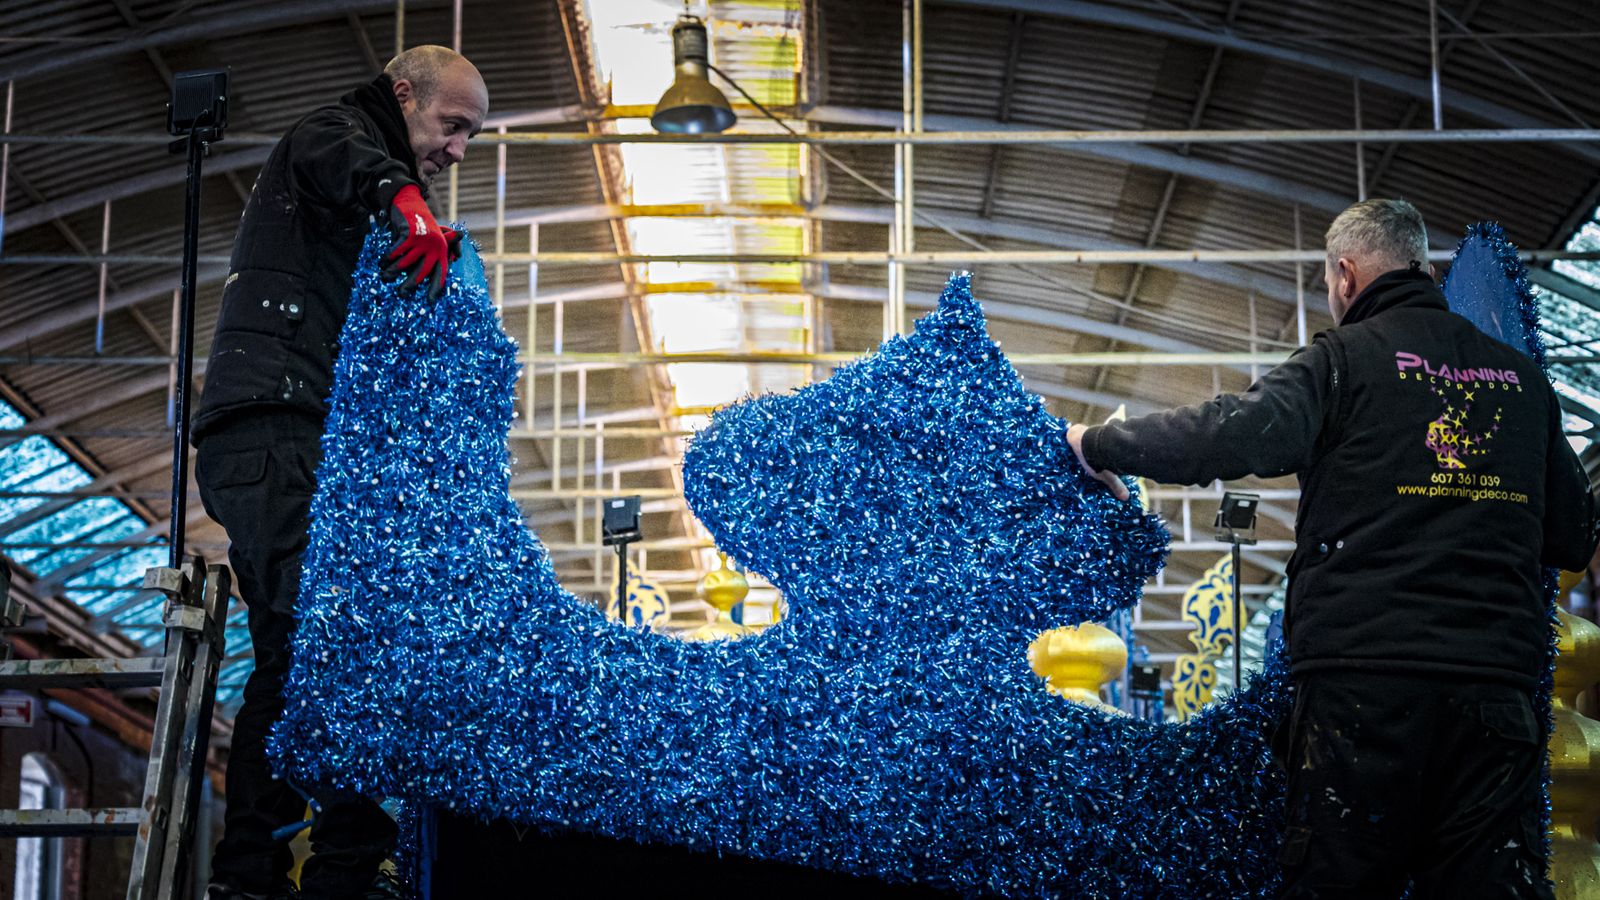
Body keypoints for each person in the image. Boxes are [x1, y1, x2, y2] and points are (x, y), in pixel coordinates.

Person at [1066, 198, 1597, 899]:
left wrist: (1096, 443)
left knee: (1341, 881)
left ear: (1346, 275)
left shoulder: (1343, 362)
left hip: (1363, 694)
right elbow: (1571, 535)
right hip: (1492, 701)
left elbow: (1228, 433)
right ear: (1423, 266)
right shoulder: (1520, 382)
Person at [192, 46, 488, 900]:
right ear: (404, 96)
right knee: (312, 642)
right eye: (452, 125)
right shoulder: (336, 133)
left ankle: (329, 864)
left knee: (320, 646)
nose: (459, 149)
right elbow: (340, 152)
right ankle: (267, 873)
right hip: (267, 428)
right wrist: (406, 201)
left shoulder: (365, 187)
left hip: (302, 432)